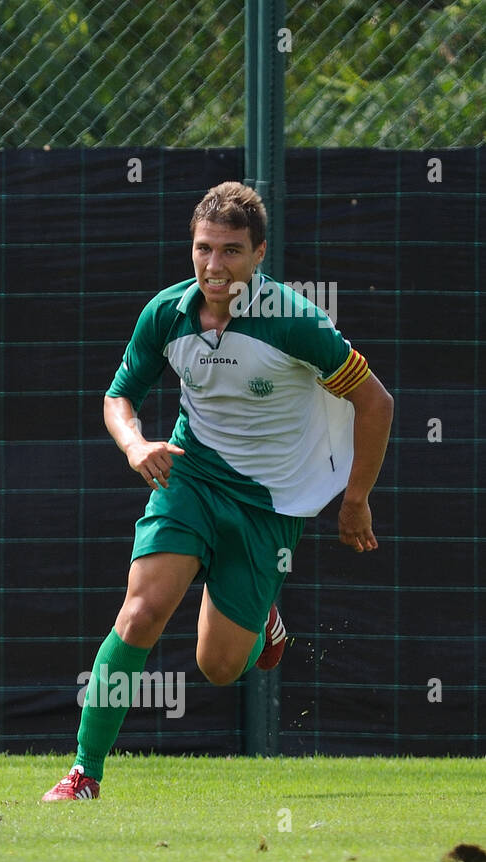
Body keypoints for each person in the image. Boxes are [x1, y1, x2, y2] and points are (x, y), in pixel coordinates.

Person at [44, 182, 392, 800]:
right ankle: (83, 774)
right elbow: (118, 396)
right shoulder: (167, 313)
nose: (214, 265)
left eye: (231, 251)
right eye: (204, 249)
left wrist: (356, 498)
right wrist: (134, 444)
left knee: (220, 667)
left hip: (268, 504)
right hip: (191, 477)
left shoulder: (297, 322)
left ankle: (263, 625)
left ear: (259, 255)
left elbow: (375, 402)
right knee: (142, 612)